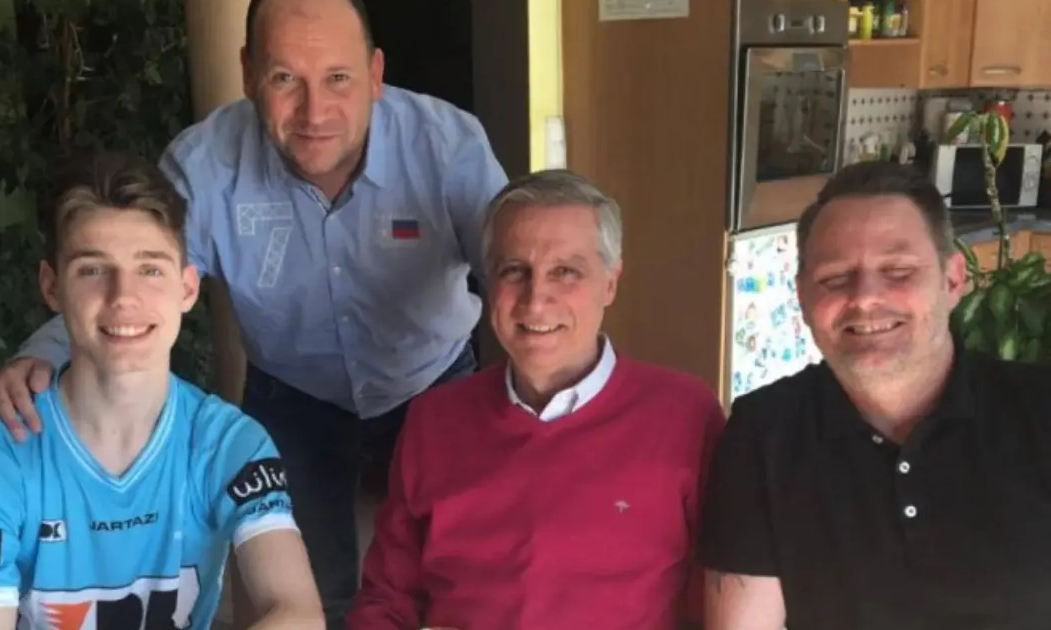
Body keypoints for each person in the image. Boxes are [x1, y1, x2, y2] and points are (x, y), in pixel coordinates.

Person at [0, 0, 509, 626]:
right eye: (284, 78)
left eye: (338, 77)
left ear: (376, 73)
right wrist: (37, 358)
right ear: (247, 73)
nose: (315, 112)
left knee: (464, 580)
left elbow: (517, 277)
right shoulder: (203, 165)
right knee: (312, 591)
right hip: (294, 396)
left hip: (432, 382)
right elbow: (133, 282)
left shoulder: (447, 145)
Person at [0, 152, 322, 630]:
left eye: (150, 269)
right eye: (93, 270)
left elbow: (296, 612)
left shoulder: (230, 443)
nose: (123, 297)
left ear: (187, 288)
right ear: (52, 287)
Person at [345, 169, 726, 630]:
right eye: (514, 271)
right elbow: (387, 598)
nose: (536, 300)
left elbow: (722, 599)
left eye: (565, 272)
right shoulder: (435, 420)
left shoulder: (686, 415)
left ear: (610, 283)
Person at [699, 161, 1051, 630]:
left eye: (898, 271)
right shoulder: (764, 432)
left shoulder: (1039, 410)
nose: (865, 298)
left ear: (953, 280)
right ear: (802, 296)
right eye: (834, 278)